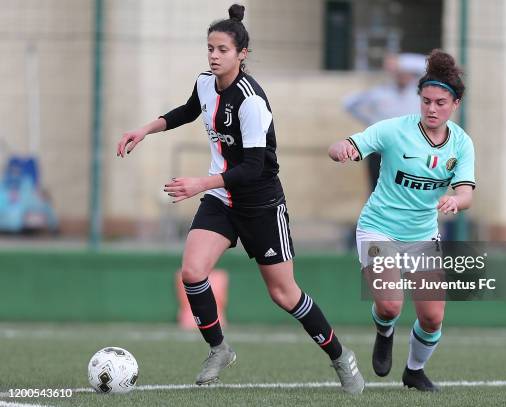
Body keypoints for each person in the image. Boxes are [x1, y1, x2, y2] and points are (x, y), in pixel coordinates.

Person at [116, 4, 364, 395]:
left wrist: (200, 182)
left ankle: (339, 355)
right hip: (221, 198)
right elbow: (187, 110)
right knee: (193, 272)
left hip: (261, 203)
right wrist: (144, 129)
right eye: (210, 48)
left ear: (241, 54)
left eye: (222, 50)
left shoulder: (251, 101)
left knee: (284, 293)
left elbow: (252, 168)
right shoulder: (204, 82)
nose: (214, 55)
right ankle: (219, 349)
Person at [328, 49, 475, 391]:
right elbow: (347, 143)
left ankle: (414, 370)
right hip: (379, 228)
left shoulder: (462, 144)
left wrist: (456, 200)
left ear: (456, 103)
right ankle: (384, 329)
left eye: (440, 102)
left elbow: (466, 193)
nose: (431, 109)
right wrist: (343, 150)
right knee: (391, 305)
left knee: (432, 317)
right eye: (426, 101)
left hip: (423, 234)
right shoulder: (394, 130)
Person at [344, 53, 426, 191]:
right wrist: (370, 121)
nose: (403, 76)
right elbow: (349, 103)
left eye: (406, 72)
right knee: (377, 189)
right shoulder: (381, 92)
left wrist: (400, 61)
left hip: (408, 150)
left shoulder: (418, 93)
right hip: (381, 150)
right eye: (400, 72)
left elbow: (428, 66)